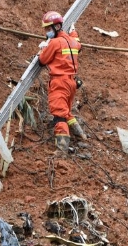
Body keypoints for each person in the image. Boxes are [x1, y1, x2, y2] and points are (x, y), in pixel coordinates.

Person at [37, 11, 87, 154]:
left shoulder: (55, 43)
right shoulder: (73, 41)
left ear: (57, 27)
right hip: (71, 83)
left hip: (59, 83)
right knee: (66, 111)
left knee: (59, 114)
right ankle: (80, 134)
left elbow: (42, 61)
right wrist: (74, 32)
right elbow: (78, 44)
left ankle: (62, 149)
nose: (47, 32)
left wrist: (43, 48)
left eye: (48, 28)